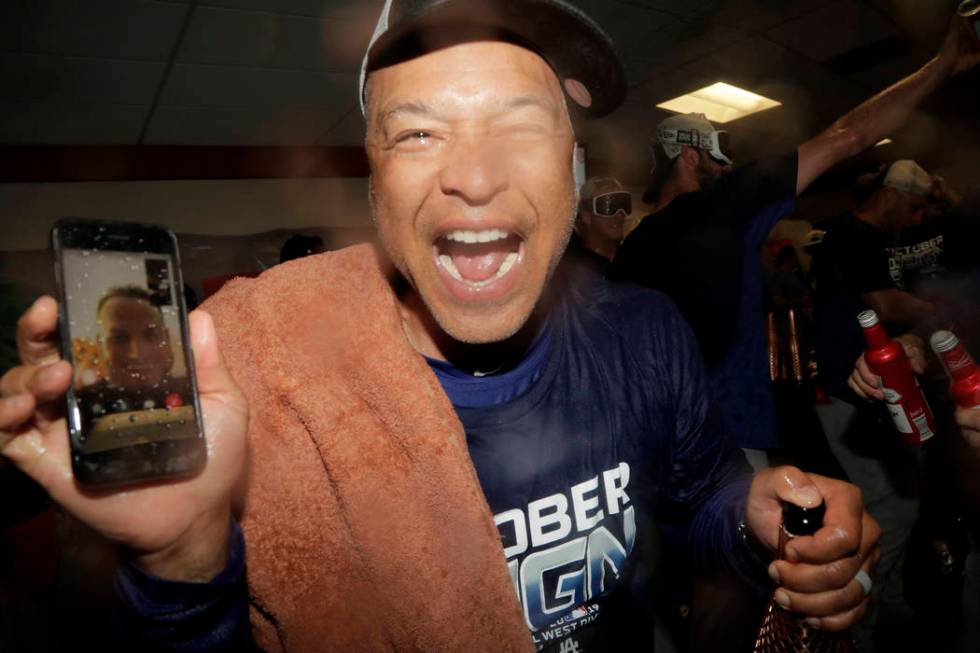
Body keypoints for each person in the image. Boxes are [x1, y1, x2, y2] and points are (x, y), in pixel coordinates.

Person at [2, 1, 880, 651]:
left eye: (521, 123)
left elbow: (699, 496)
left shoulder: (644, 329)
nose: (473, 175)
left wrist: (752, 515)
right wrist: (186, 565)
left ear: (574, 169)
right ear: (374, 185)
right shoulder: (258, 392)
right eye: (418, 134)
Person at [612, 16, 980, 461]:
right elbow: (850, 136)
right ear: (690, 155)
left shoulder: (630, 249)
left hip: (660, 441)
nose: (727, 166)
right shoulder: (723, 203)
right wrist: (943, 63)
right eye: (718, 154)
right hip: (729, 432)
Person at [75, 286, 190, 427]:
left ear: (165, 338)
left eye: (151, 336)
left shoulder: (192, 392)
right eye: (119, 338)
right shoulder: (80, 405)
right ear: (101, 344)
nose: (137, 354)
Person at [564, 177, 630, 274]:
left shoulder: (633, 256)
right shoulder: (579, 270)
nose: (620, 215)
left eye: (623, 205)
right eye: (607, 207)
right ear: (586, 216)